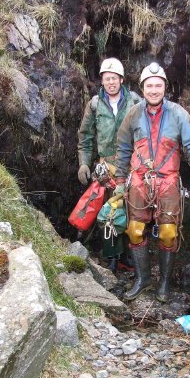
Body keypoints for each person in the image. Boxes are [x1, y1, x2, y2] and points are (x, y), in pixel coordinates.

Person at [114, 62, 190, 303]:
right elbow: (123, 148)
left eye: (158, 85)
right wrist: (121, 180)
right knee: (134, 230)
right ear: (142, 88)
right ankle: (142, 279)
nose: (154, 90)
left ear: (165, 87)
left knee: (167, 233)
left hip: (168, 181)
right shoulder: (133, 114)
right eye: (149, 86)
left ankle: (163, 283)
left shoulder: (178, 114)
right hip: (140, 181)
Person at [77, 58, 140, 271]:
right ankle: (112, 256)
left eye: (114, 78)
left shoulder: (134, 101)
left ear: (121, 79)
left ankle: (130, 254)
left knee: (132, 210)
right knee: (109, 213)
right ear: (102, 81)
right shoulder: (94, 105)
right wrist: (84, 164)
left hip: (132, 165)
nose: (110, 82)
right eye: (106, 78)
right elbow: (85, 136)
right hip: (107, 167)